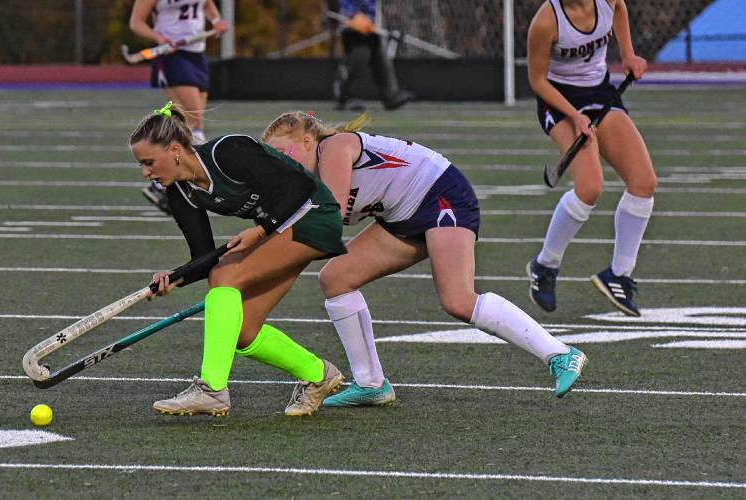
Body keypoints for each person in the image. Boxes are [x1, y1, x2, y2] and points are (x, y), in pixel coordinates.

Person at [262, 111, 587, 406]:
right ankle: (371, 384)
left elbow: (327, 222)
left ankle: (560, 354)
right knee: (336, 279)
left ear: (307, 140)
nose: (279, 163)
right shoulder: (307, 177)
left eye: (282, 152)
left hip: (441, 196)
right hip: (402, 216)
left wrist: (261, 270)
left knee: (458, 300)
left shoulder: (332, 149)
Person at [132, 102, 347, 417]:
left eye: (149, 162)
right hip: (280, 227)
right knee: (244, 332)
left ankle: (211, 389)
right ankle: (318, 375)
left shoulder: (227, 151)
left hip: (313, 213)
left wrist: (260, 231)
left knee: (225, 277)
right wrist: (173, 277)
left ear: (175, 149)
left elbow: (299, 185)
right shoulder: (180, 192)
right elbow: (204, 257)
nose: (146, 172)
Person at [525, 0, 656, 317]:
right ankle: (545, 266)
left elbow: (620, 9)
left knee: (643, 182)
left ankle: (619, 274)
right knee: (590, 187)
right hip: (558, 101)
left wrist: (627, 54)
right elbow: (537, 80)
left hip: (599, 93)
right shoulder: (546, 21)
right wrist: (574, 116)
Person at [129, 0, 229, 213]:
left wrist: (217, 20)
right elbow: (136, 23)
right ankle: (182, 182)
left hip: (196, 53)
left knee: (187, 122)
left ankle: (162, 184)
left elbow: (207, 5)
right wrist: (159, 38)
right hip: (172, 55)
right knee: (194, 121)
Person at [332, 0, 413, 112]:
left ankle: (391, 96)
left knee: (381, 61)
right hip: (353, 26)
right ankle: (349, 97)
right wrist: (353, 15)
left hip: (372, 26)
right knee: (359, 60)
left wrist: (388, 25)